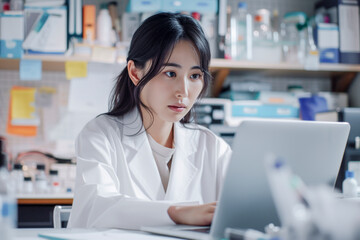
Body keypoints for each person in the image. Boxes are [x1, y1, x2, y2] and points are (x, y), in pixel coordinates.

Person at [67, 12, 232, 230]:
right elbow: (95, 209)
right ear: (135, 73)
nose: (183, 91)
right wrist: (175, 213)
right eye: (170, 73)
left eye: (194, 76)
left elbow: (246, 207)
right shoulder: (100, 135)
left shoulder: (212, 147)